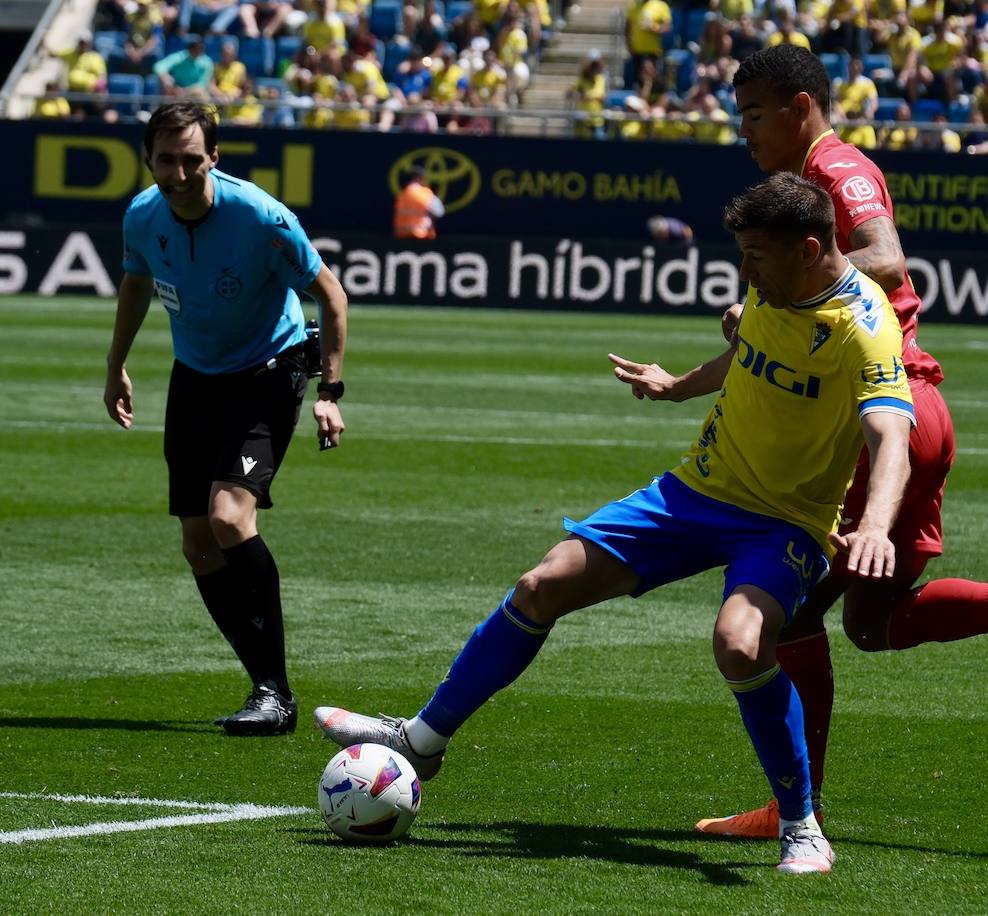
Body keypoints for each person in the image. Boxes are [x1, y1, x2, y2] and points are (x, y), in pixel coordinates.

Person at [316, 171, 919, 875]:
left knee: (739, 641)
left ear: (811, 248)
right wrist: (678, 384)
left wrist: (875, 523)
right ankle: (423, 737)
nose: (743, 269)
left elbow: (891, 435)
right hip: (695, 492)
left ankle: (801, 824)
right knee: (542, 583)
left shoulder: (864, 328)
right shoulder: (774, 284)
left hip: (784, 523)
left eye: (756, 254)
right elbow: (750, 354)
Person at [626, 44, 988, 839]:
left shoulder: (839, 168)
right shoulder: (803, 201)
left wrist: (786, 284)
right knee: (871, 620)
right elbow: (774, 344)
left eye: (755, 113)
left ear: (799, 106)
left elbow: (887, 256)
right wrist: (681, 382)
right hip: (914, 413)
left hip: (878, 420)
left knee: (783, 621)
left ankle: (798, 812)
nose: (744, 130)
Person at [103, 102, 348, 736]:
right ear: (149, 159)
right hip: (195, 380)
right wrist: (116, 365)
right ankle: (266, 687)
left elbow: (331, 295)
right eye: (166, 160)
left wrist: (331, 390)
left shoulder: (261, 216)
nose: (179, 173)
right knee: (196, 543)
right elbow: (135, 282)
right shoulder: (142, 215)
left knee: (228, 517)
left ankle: (276, 691)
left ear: (214, 157)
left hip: (268, 371)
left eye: (191, 159)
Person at [393, 166, 445, 239]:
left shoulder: (402, 195)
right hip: (421, 236)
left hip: (401, 237)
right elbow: (439, 212)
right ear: (419, 178)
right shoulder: (425, 194)